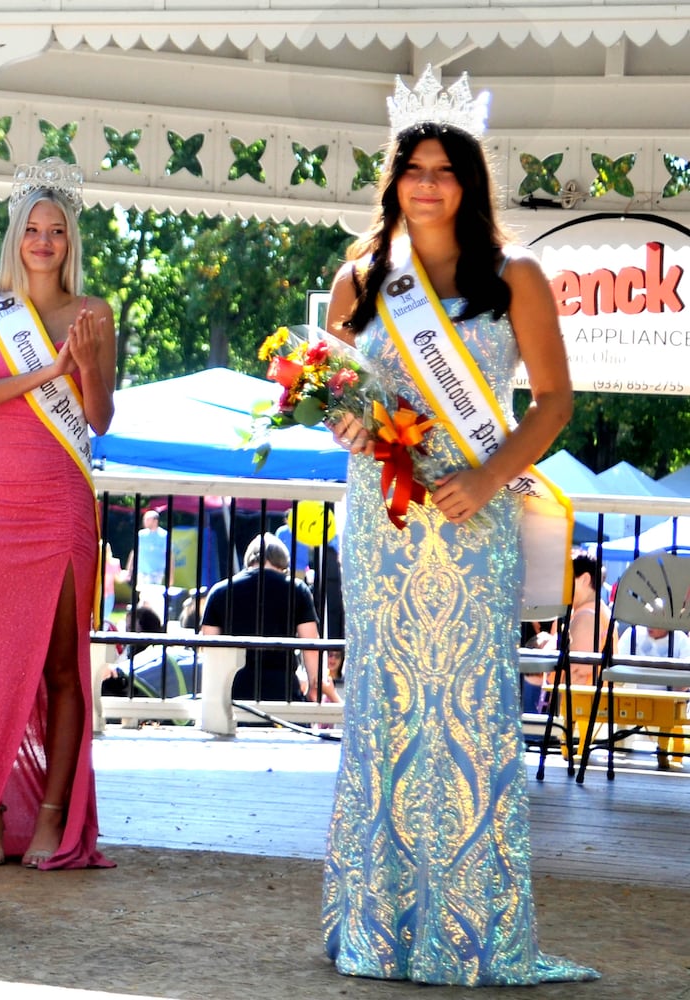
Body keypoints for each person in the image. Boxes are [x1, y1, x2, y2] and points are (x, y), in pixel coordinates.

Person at [319, 69, 595, 983]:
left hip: (472, 519)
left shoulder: (515, 276)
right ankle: (379, 928)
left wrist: (487, 476)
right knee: (384, 712)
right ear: (393, 179)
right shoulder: (360, 279)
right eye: (414, 168)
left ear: (471, 183)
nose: (428, 183)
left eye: (446, 169)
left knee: (468, 719)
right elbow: (335, 391)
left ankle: (470, 932)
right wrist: (347, 421)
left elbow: (552, 404)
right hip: (382, 518)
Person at [0, 165, 116, 871]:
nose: (43, 241)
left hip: (61, 501)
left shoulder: (93, 314)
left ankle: (52, 815)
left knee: (59, 667)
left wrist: (82, 368)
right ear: (15, 237)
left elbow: (101, 418)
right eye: (33, 229)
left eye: (56, 231)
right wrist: (50, 373)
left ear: (68, 241)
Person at [198, 534, 323, 703]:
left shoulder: (220, 591)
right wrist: (313, 685)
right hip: (281, 686)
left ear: (249, 560)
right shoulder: (297, 589)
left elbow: (210, 646)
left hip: (234, 686)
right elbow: (310, 643)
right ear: (283, 563)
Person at [566, 553, 611, 686]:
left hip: (580, 703)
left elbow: (576, 673)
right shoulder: (599, 611)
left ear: (585, 579)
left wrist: (556, 703)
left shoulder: (586, 616)